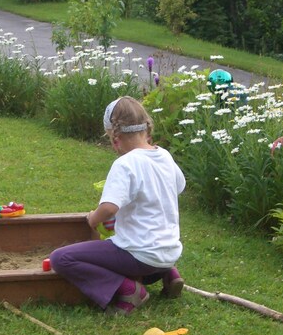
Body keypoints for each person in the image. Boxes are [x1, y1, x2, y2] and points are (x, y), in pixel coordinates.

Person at [50, 96, 186, 315]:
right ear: (146, 130)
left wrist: (93, 218)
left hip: (140, 254)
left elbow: (109, 208)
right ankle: (169, 273)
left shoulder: (125, 164)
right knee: (143, 251)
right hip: (169, 251)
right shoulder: (165, 156)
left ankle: (130, 291)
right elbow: (178, 187)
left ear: (115, 138)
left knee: (61, 258)